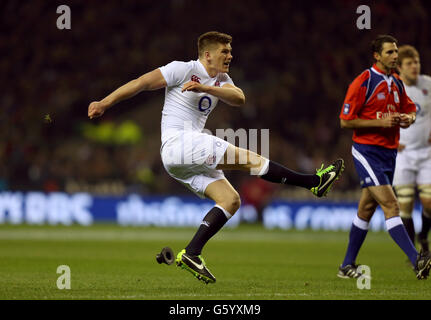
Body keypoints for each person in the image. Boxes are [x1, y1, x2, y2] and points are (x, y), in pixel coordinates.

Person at [88, 31, 344, 284]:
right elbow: (142, 83)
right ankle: (312, 182)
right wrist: (105, 102)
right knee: (249, 159)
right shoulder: (182, 69)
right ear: (208, 55)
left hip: (181, 161)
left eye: (231, 51)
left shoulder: (221, 79)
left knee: (230, 200)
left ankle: (191, 253)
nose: (230, 55)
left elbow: (239, 98)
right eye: (225, 51)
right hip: (180, 143)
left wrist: (204, 87)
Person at [338, 35, 431, 280]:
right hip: (367, 151)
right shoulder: (363, 82)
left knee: (367, 208)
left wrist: (408, 118)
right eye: (389, 52)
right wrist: (378, 122)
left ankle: (346, 265)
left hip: (389, 152)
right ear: (377, 56)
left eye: (396, 51)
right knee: (391, 205)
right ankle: (417, 260)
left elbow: (409, 108)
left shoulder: (397, 83)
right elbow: (345, 121)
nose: (395, 56)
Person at [393, 45, 431, 254]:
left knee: (429, 202)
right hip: (403, 154)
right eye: (409, 63)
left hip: (427, 153)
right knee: (405, 205)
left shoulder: (428, 84)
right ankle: (414, 254)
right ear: (399, 68)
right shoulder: (393, 88)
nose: (414, 66)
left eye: (416, 61)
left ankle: (423, 234)